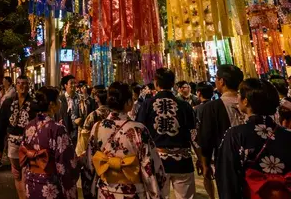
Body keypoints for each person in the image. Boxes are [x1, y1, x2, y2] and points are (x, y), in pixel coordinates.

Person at [87, 82, 166, 199]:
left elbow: (90, 164)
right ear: (128, 102)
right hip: (132, 191)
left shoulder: (97, 127)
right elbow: (150, 165)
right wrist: (155, 193)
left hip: (104, 190)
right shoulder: (138, 129)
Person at [215, 79, 291, 199]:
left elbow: (228, 177)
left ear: (246, 101)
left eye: (239, 94)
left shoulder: (235, 134)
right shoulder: (287, 134)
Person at [136, 68, 198, 199]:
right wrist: (202, 159)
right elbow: (194, 134)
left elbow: (139, 132)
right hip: (183, 161)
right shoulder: (184, 105)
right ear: (173, 84)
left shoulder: (147, 104)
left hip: (156, 160)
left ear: (156, 83)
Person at [20, 86, 79, 199]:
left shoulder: (29, 126)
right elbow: (65, 162)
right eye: (58, 100)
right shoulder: (57, 129)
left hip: (31, 181)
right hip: (50, 184)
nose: (60, 102)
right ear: (51, 104)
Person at [196, 64, 246, 199]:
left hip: (226, 162)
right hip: (253, 159)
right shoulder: (249, 102)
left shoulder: (212, 107)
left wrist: (205, 163)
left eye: (217, 79)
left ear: (222, 81)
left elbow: (206, 138)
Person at [0, 76, 32, 199]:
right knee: (17, 174)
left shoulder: (33, 104)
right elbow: (1, 125)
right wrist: (0, 148)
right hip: (13, 141)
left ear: (29, 85)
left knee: (26, 173)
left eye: (25, 83)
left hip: (28, 143)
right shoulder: (8, 102)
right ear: (16, 85)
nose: (22, 86)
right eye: (19, 83)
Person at [77, 85, 111, 199]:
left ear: (97, 100)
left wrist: (81, 155)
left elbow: (84, 139)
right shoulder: (113, 115)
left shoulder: (92, 116)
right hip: (110, 155)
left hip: (94, 156)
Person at [0, 76, 15, 169]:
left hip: (8, 115)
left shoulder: (12, 91)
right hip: (1, 114)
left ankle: (5, 157)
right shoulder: (2, 91)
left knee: (7, 136)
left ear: (9, 82)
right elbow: (0, 102)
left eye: (5, 81)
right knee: (1, 135)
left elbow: (8, 101)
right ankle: (0, 157)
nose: (3, 82)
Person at [58, 75, 80, 142]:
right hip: (64, 132)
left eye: (75, 83)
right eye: (71, 83)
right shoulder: (60, 99)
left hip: (78, 132)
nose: (74, 85)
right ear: (65, 85)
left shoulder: (80, 98)